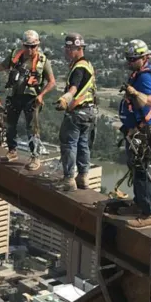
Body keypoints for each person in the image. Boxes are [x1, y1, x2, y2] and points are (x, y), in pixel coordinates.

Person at [0, 30, 56, 169]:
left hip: (31, 98)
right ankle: (12, 150)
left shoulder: (43, 61)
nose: (30, 49)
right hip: (15, 95)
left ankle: (35, 157)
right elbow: (1, 66)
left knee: (32, 128)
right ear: (23, 45)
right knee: (10, 125)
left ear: (38, 46)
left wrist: (41, 95)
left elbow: (52, 82)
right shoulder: (15, 55)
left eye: (33, 46)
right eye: (27, 46)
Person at [116, 39, 151, 229]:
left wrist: (135, 94)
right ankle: (139, 204)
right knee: (136, 168)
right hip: (135, 131)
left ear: (144, 57)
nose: (129, 62)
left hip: (143, 132)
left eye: (133, 59)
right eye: (128, 58)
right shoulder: (137, 74)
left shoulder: (146, 77)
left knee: (142, 170)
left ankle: (149, 212)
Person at [55, 33, 97, 191]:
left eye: (68, 49)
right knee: (83, 144)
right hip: (89, 112)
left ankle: (69, 179)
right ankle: (83, 177)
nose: (66, 52)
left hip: (77, 113)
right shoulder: (88, 65)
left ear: (77, 49)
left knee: (69, 144)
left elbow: (74, 87)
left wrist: (65, 99)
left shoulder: (79, 68)